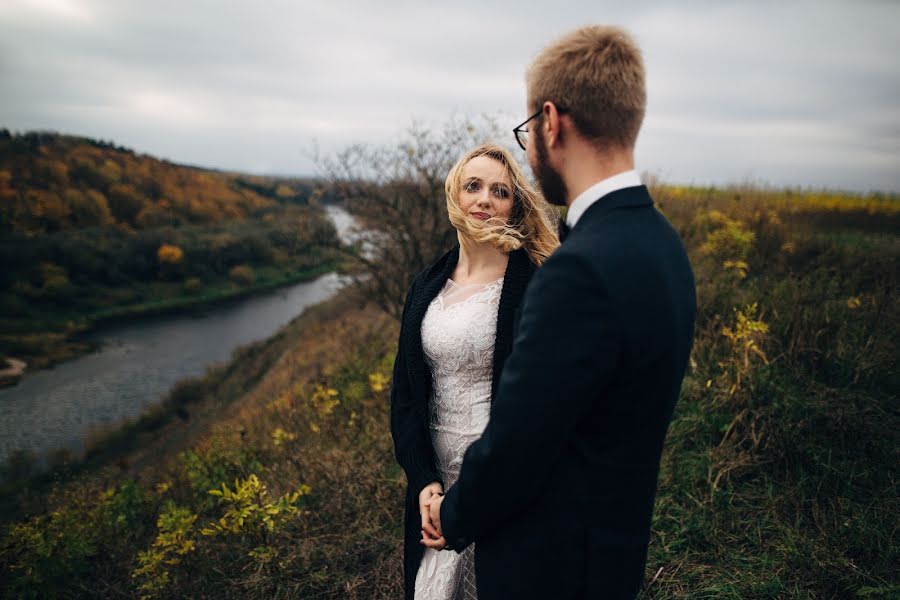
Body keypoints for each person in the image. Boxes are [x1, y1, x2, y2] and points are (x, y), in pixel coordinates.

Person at [423, 26, 697, 599]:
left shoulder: (577, 271)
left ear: (551, 122)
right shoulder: (663, 245)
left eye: (527, 132)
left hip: (548, 570)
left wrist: (453, 517)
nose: (529, 149)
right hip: (613, 557)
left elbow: (520, 446)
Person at [390, 143, 560, 600]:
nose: (484, 198)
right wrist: (423, 480)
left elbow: (541, 409)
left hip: (505, 485)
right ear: (454, 195)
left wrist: (472, 501)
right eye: (473, 186)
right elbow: (405, 397)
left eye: (499, 191)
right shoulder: (426, 285)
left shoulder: (535, 284)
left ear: (513, 205)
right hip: (433, 491)